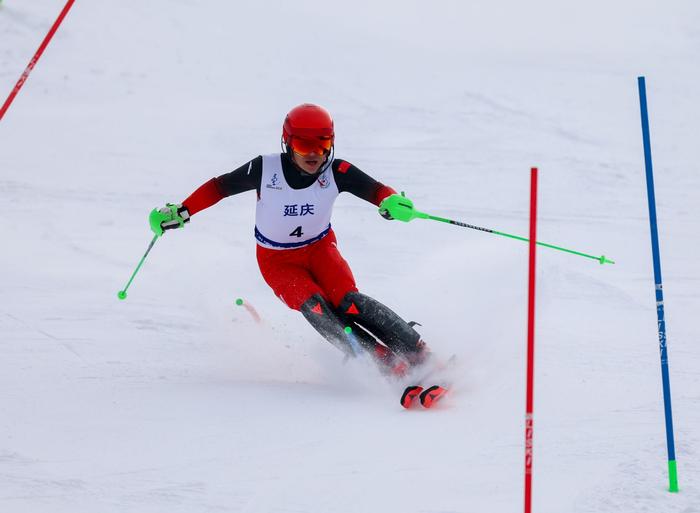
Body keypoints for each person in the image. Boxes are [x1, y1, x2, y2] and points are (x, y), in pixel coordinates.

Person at [149, 103, 429, 376]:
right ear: (287, 143)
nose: (314, 154)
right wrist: (183, 211)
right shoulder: (264, 169)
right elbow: (219, 187)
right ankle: (380, 361)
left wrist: (391, 202)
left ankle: (418, 350)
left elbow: (377, 191)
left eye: (322, 145)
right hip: (278, 261)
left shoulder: (338, 171)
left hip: (320, 249)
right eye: (303, 146)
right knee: (317, 307)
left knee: (348, 301)